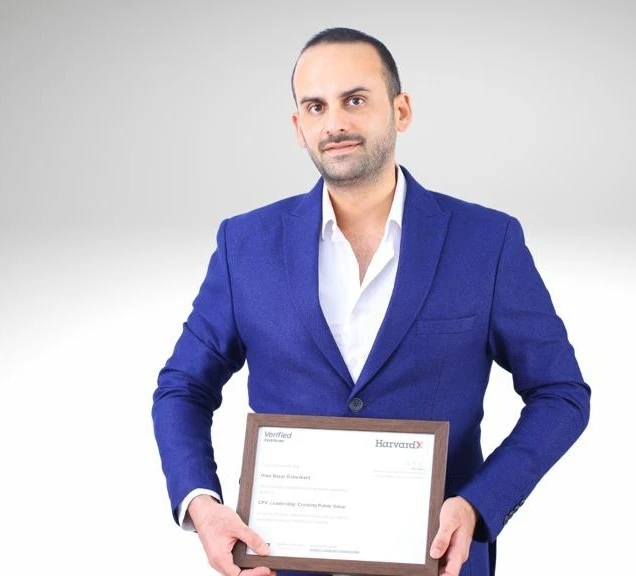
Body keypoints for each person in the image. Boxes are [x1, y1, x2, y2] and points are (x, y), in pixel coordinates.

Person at [152, 27, 590, 576]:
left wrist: (479, 503)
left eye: (355, 100)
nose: (334, 123)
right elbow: (182, 387)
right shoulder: (245, 244)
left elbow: (560, 392)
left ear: (401, 110)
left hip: (438, 561)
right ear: (298, 126)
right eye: (316, 106)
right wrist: (202, 505)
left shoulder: (486, 241)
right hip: (280, 563)